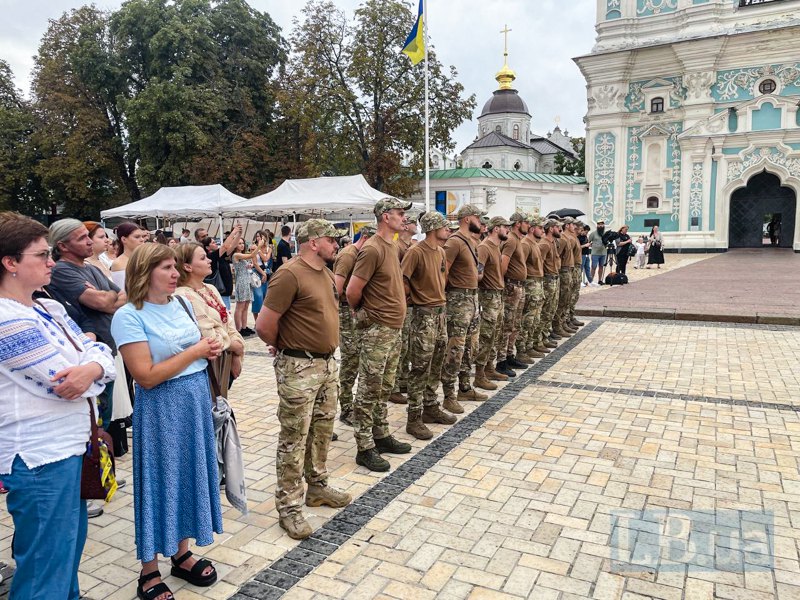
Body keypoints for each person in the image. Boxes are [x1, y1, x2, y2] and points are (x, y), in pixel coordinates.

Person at [0, 211, 115, 600]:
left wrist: (94, 365)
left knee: (66, 557)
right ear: (10, 263)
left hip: (70, 448)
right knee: (43, 571)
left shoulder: (48, 308)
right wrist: (92, 366)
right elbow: (62, 383)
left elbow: (100, 348)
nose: (51, 262)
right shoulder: (6, 319)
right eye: (41, 255)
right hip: (39, 457)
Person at [111, 243, 223, 600]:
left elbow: (196, 348)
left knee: (189, 474)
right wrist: (196, 351)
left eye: (175, 266)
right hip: (161, 407)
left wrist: (209, 350)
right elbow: (144, 375)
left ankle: (181, 552)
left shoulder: (182, 303)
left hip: (194, 400)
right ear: (145, 272)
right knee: (160, 482)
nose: (175, 274)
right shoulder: (129, 315)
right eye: (165, 268)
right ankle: (148, 570)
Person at [255, 219, 352, 539]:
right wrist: (286, 349)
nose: (337, 243)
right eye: (331, 238)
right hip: (299, 368)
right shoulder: (289, 274)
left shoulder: (325, 273)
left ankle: (317, 487)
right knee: (294, 437)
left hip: (326, 366)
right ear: (313, 242)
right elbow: (264, 326)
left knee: (322, 430)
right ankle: (289, 507)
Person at [48, 219, 129, 463]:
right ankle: (90, 476)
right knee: (93, 422)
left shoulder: (90, 269)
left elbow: (125, 295)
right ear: (62, 246)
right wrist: (110, 297)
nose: (89, 241)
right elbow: (105, 302)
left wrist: (109, 296)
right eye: (82, 237)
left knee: (102, 421)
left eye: (88, 235)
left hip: (105, 352)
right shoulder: (62, 270)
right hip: (89, 356)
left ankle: (98, 474)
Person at [346, 198, 413, 472]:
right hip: (378, 329)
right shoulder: (373, 248)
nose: (403, 218)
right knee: (369, 388)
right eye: (399, 214)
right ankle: (364, 446)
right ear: (385, 217)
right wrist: (366, 315)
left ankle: (381, 434)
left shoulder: (392, 245)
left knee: (385, 386)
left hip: (393, 328)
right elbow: (352, 291)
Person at [401, 212, 458, 440]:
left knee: (437, 361)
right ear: (434, 228)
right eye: (445, 227)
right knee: (420, 367)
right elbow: (402, 280)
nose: (448, 230)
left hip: (440, 312)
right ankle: (413, 418)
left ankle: (431, 406)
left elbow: (443, 278)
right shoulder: (415, 252)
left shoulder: (441, 252)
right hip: (423, 315)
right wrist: (416, 298)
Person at [174, 243, 245, 396]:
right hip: (208, 367)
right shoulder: (183, 295)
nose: (209, 260)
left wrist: (237, 352)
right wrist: (235, 346)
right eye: (203, 258)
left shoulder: (210, 288)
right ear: (187, 267)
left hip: (224, 363)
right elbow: (207, 335)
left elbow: (227, 322)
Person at [440, 204, 488, 409]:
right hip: (458, 300)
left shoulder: (472, 241)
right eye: (478, 218)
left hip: (472, 299)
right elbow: (443, 272)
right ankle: (449, 394)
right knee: (455, 348)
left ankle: (465, 388)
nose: (481, 222)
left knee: (470, 346)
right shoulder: (454, 242)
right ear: (468, 219)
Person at [332, 225, 375, 426]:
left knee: (357, 358)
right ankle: (346, 407)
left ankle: (353, 405)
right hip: (346, 311)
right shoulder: (349, 255)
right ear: (365, 237)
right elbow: (336, 289)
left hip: (356, 311)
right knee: (350, 359)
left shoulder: (362, 254)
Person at [473, 216, 512, 390]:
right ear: (496, 228)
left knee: (495, 335)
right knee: (486, 336)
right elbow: (478, 273)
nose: (508, 230)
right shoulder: (484, 247)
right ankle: (479, 375)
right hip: (488, 297)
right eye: (505, 227)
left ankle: (489, 368)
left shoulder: (496, 247)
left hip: (498, 296)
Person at [496, 212, 530, 376]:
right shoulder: (510, 240)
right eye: (526, 223)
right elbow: (503, 263)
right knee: (507, 325)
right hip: (511, 286)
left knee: (515, 324)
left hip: (519, 286)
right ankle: (501, 360)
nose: (528, 225)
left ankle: (510, 354)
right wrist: (503, 283)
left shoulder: (517, 240)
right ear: (518, 224)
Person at [390, 215, 419, 404]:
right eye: (413, 222)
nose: (416, 225)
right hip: (402, 302)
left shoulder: (410, 247)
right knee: (399, 347)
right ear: (406, 227)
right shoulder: (397, 247)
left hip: (411, 303)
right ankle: (393, 386)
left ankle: (403, 379)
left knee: (407, 345)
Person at [516, 215, 546, 362]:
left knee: (535, 318)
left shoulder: (534, 243)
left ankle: (530, 345)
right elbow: (522, 266)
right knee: (527, 319)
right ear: (533, 229)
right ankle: (521, 349)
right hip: (530, 284)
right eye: (540, 228)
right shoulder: (525, 244)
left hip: (538, 284)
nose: (542, 230)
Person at [535, 219, 561, 352]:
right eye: (557, 227)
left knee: (551, 309)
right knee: (545, 311)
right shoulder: (544, 244)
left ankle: (545, 336)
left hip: (554, 277)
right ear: (551, 229)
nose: (559, 229)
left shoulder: (553, 242)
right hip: (548, 279)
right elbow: (540, 262)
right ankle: (538, 340)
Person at [202, 223, 242, 310]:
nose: (216, 244)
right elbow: (225, 246)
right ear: (208, 247)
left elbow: (233, 246)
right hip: (220, 291)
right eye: (213, 243)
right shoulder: (211, 256)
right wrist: (234, 231)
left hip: (225, 291)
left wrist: (239, 234)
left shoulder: (220, 255)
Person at [231, 237, 259, 336]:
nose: (242, 245)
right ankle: (239, 328)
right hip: (242, 282)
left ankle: (244, 326)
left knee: (246, 305)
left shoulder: (241, 255)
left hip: (247, 281)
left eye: (242, 243)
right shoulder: (236, 255)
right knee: (240, 306)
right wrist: (259, 245)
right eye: (239, 243)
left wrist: (248, 266)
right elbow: (252, 255)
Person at [110, 222, 147, 291]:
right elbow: (123, 292)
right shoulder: (118, 264)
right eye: (137, 237)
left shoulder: (145, 258)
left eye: (142, 236)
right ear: (124, 239)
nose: (142, 240)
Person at [250, 231, 273, 327]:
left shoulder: (269, 248)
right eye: (258, 236)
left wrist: (259, 249)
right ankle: (257, 321)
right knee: (257, 296)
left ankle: (265, 320)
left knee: (266, 297)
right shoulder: (253, 247)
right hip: (257, 273)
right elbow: (255, 262)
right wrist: (258, 248)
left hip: (267, 273)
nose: (260, 238)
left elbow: (266, 259)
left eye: (262, 237)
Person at [587, 220, 607, 286]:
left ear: (604, 225)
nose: (600, 226)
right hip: (595, 253)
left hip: (603, 253)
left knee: (601, 266)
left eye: (602, 224)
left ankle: (600, 280)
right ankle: (591, 280)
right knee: (593, 267)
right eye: (599, 224)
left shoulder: (606, 233)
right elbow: (588, 241)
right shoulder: (593, 233)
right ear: (597, 225)